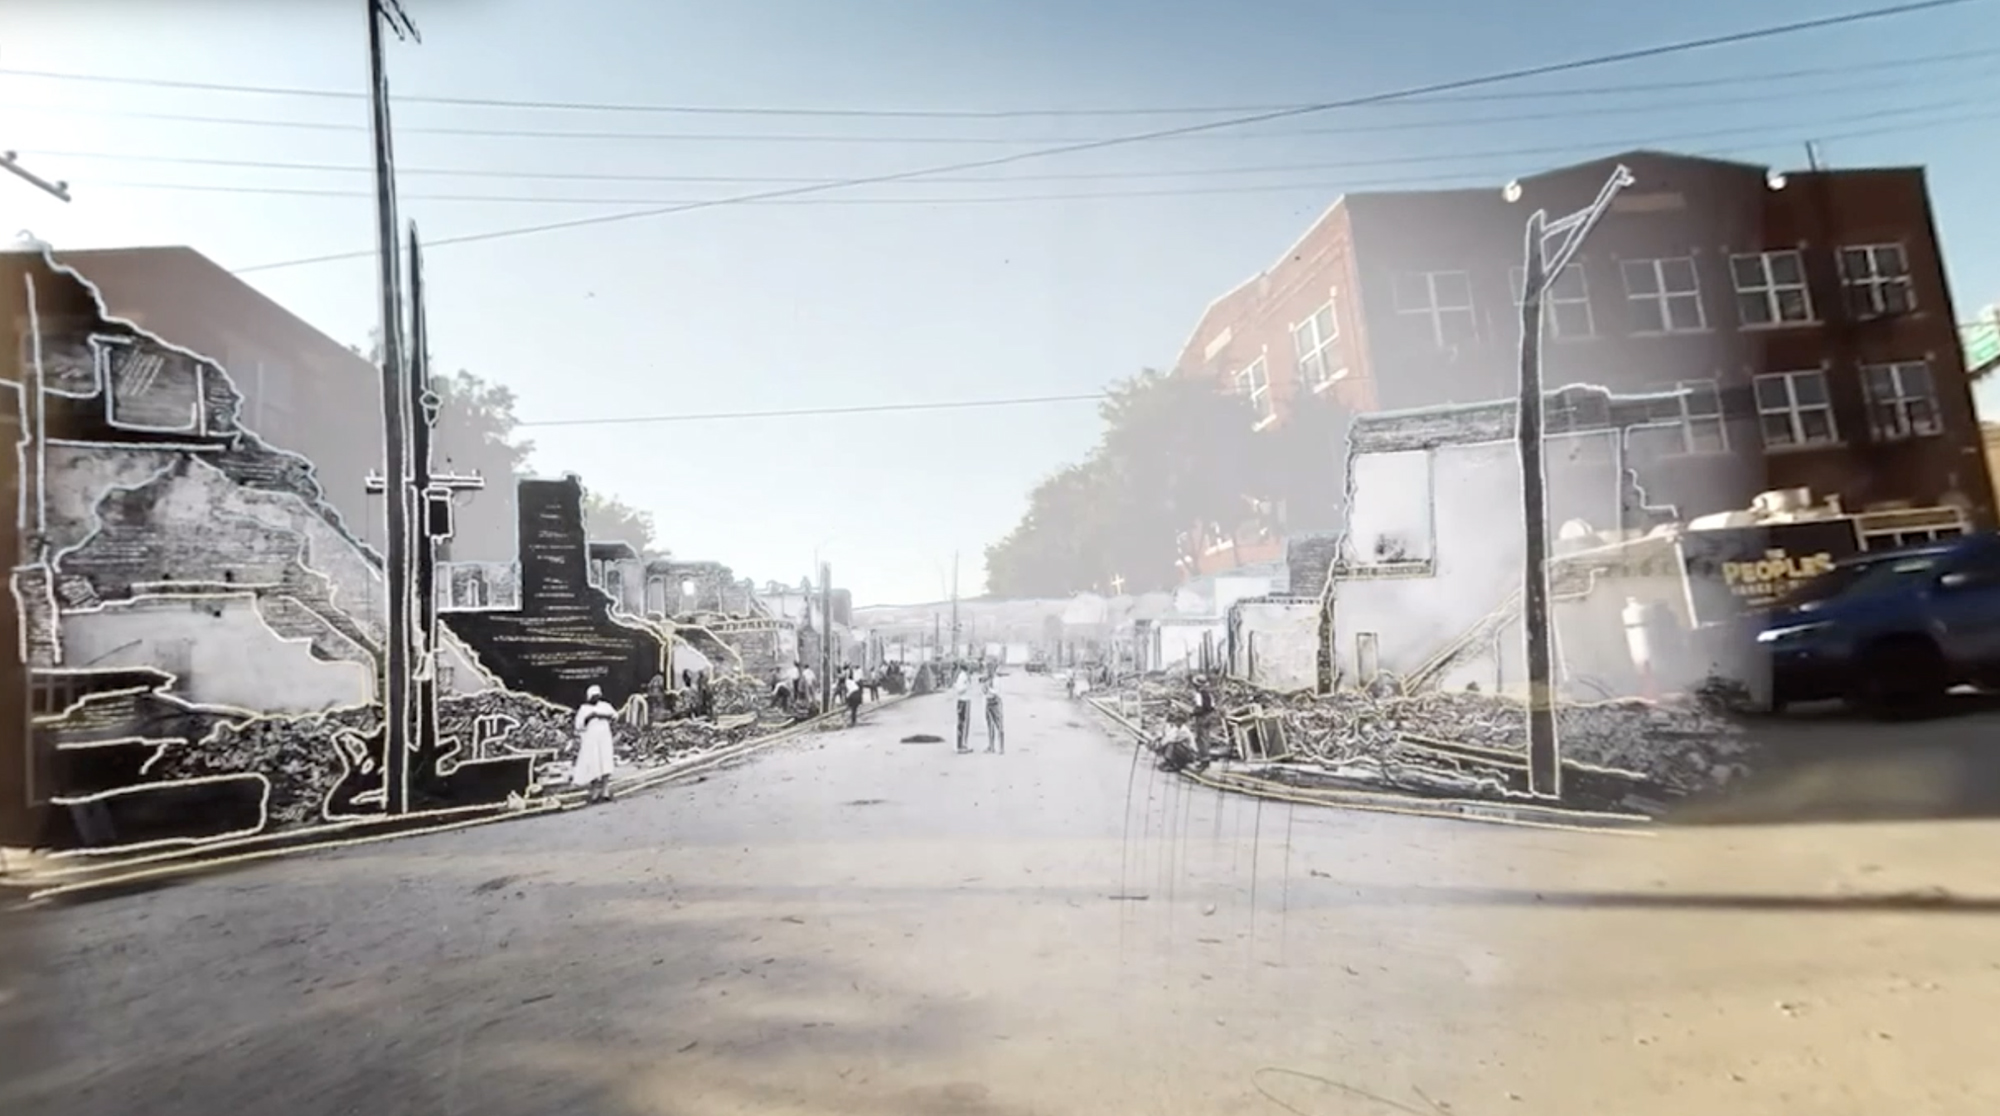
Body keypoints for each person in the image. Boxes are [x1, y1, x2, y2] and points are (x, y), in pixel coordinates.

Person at [572, 684, 618, 803]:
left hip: (604, 738)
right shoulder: (584, 708)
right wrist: (589, 717)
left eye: (597, 696)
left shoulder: (605, 706)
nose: (596, 698)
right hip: (591, 740)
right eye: (593, 696)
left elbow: (614, 716)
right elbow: (579, 725)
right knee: (593, 763)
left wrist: (599, 715)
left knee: (605, 762)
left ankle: (605, 790)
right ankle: (594, 792)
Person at [952, 665, 982, 754]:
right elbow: (959, 689)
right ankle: (960, 745)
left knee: (965, 723)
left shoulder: (966, 676)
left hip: (966, 700)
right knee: (962, 723)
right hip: (963, 701)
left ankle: (964, 744)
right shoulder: (962, 676)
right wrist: (967, 686)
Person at [984, 670, 1006, 754]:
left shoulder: (997, 680)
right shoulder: (987, 680)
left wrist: (988, 689)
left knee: (999, 725)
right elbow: (984, 691)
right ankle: (991, 746)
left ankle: (1001, 747)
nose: (988, 672)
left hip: (996, 702)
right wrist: (985, 689)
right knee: (989, 725)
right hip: (988, 702)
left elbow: (997, 692)